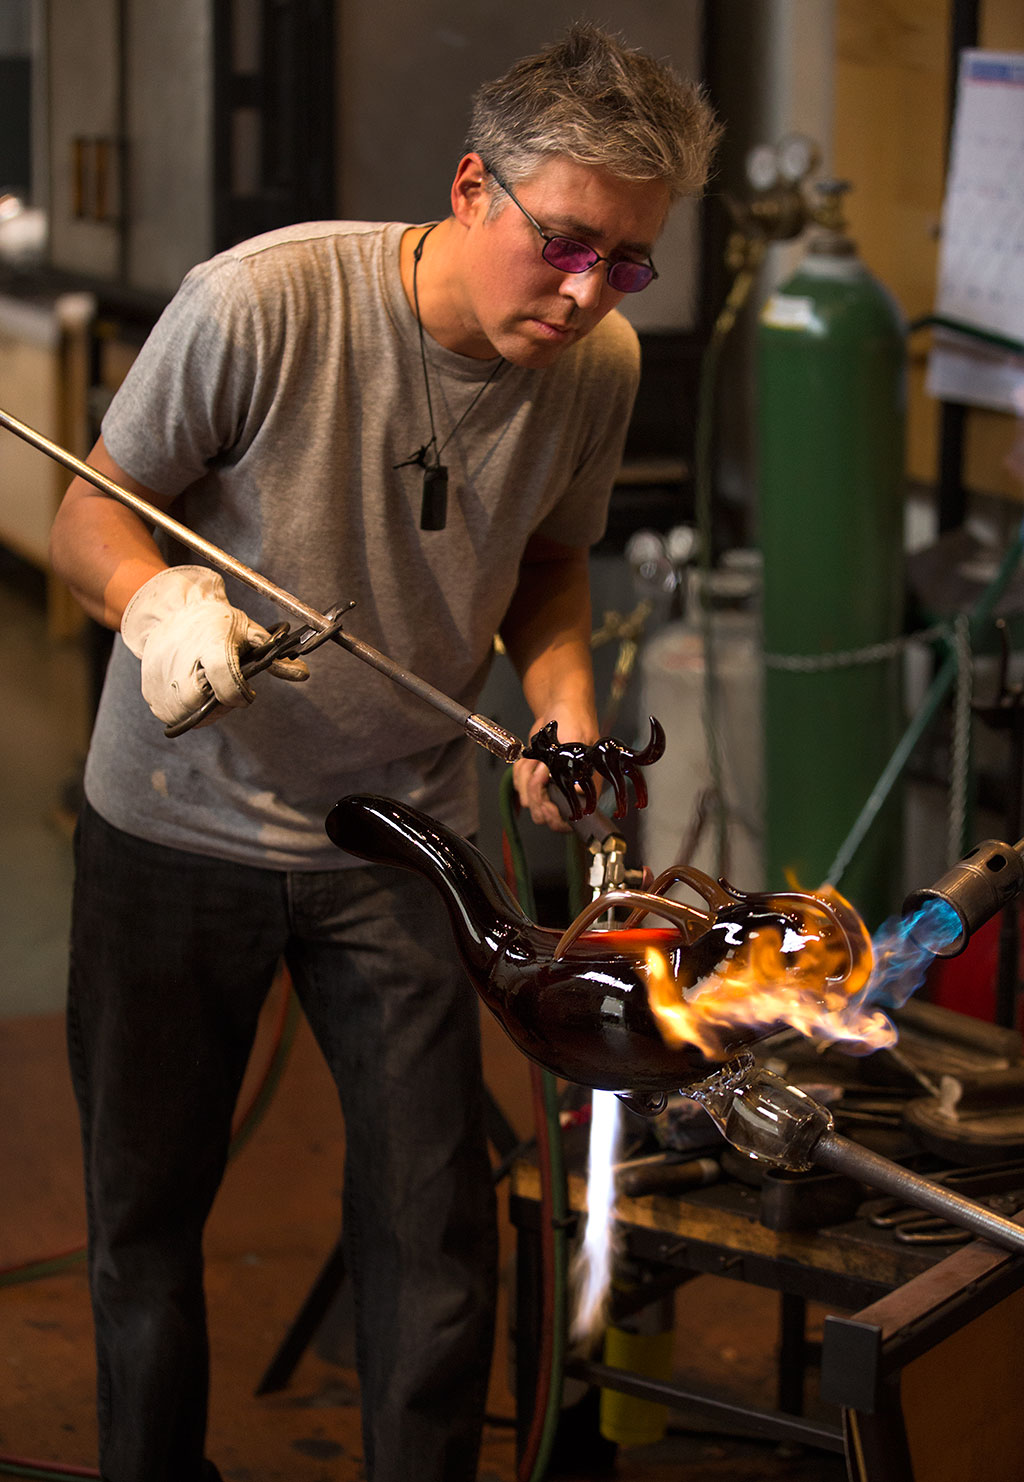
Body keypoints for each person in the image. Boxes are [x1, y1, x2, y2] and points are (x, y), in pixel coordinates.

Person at [49, 23, 719, 1482]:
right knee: (145, 1232)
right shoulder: (264, 302)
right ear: (473, 186)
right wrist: (152, 599)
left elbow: (549, 555)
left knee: (434, 1233)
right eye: (564, 242)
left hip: (402, 835)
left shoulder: (593, 364)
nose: (589, 289)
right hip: (176, 820)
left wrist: (564, 699)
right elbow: (85, 505)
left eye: (628, 261)